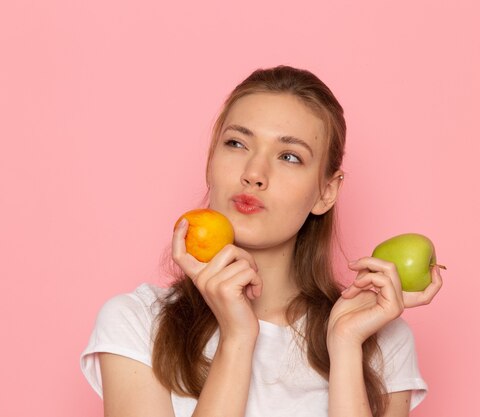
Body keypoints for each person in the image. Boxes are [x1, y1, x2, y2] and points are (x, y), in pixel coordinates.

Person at [80, 65, 443, 417]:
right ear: (210, 162)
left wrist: (346, 347)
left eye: (289, 156)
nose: (254, 174)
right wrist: (237, 340)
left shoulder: (377, 338)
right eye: (236, 143)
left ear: (326, 192)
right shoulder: (138, 323)